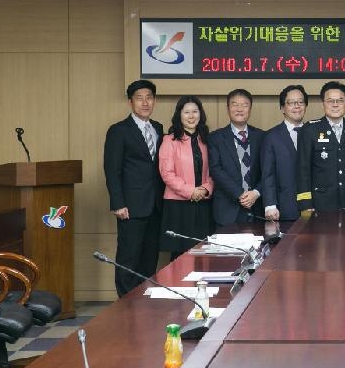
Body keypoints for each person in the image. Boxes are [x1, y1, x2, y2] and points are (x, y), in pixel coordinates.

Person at [103, 79, 164, 297]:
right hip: (130, 207)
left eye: (149, 98)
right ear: (130, 102)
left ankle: (144, 302)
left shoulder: (158, 128)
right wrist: (118, 203)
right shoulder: (118, 131)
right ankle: (125, 305)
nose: (145, 103)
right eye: (139, 98)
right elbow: (112, 170)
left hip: (156, 206)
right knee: (128, 258)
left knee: (149, 259)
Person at [158, 96, 214, 260]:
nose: (191, 116)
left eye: (195, 112)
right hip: (178, 206)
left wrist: (206, 189)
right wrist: (191, 191)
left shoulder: (207, 140)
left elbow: (214, 170)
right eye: (187, 112)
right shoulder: (169, 140)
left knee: (203, 254)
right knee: (180, 256)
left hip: (203, 203)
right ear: (179, 115)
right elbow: (167, 173)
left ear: (200, 114)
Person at [296, 81, 345, 211]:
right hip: (320, 204)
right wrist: (305, 203)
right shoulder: (310, 130)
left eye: (340, 100)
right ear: (323, 104)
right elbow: (303, 169)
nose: (335, 104)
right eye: (330, 101)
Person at [208, 89, 265, 226]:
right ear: (228, 108)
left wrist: (256, 192)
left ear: (250, 108)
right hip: (227, 208)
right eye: (235, 104)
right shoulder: (215, 138)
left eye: (244, 105)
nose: (240, 109)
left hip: (257, 207)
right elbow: (215, 169)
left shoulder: (262, 137)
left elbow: (268, 170)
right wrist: (240, 194)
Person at [261, 84, 308, 221]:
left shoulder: (314, 132)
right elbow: (268, 174)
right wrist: (270, 205)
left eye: (301, 102)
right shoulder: (271, 136)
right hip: (285, 207)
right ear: (282, 108)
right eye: (292, 103)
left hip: (313, 207)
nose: (297, 106)